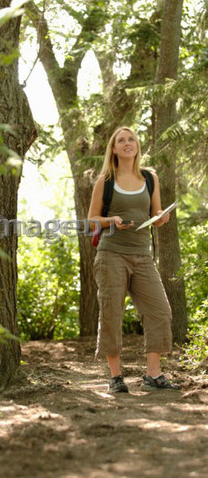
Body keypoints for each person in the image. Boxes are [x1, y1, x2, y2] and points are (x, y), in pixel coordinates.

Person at [88, 126, 180, 393]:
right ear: (114, 149)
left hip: (143, 255)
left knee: (159, 311)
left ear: (137, 146)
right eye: (121, 140)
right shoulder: (105, 180)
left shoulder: (150, 177)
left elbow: (156, 210)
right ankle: (116, 377)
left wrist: (162, 217)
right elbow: (92, 219)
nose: (127, 143)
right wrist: (111, 221)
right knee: (111, 314)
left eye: (131, 139)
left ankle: (153, 375)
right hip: (111, 254)